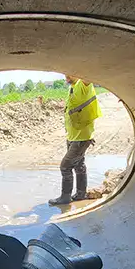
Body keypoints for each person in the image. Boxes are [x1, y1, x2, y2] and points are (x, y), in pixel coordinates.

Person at [49, 75, 102, 205]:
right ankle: (80, 194)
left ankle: (65, 197)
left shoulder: (82, 85)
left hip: (81, 138)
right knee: (79, 165)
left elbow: (88, 74)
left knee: (65, 166)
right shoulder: (72, 87)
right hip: (74, 137)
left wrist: (80, 70)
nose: (66, 75)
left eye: (69, 72)